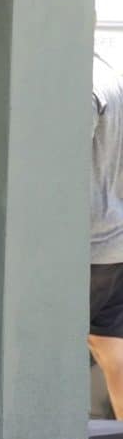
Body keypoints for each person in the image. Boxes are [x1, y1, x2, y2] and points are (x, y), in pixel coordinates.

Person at [88, 52, 123, 419]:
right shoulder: (112, 74)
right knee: (112, 349)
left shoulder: (83, 84)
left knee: (53, 359)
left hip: (84, 246)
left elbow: (62, 159)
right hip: (113, 241)